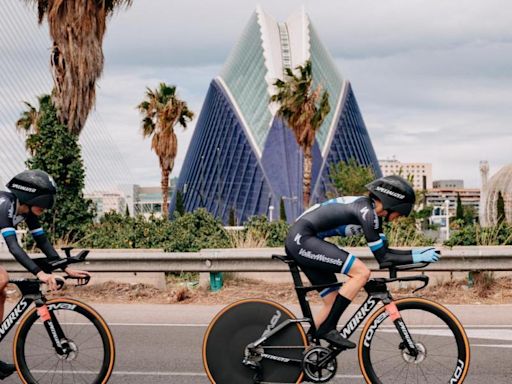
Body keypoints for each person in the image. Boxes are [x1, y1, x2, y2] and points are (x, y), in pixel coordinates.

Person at [285, 175, 440, 349]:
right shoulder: (367, 213)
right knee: (361, 273)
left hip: (303, 240)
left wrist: (416, 253)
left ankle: (304, 350)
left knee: (332, 300)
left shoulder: (371, 213)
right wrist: (417, 256)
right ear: (392, 204)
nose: (400, 217)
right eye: (401, 212)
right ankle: (327, 328)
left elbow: (385, 253)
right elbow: (384, 259)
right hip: (302, 240)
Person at [0, 170, 90, 379]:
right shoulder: (4, 205)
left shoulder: (26, 212)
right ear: (30, 196)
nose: (45, 207)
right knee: (1, 278)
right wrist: (41, 274)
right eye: (42, 201)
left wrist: (64, 267)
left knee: (1, 291)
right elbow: (14, 248)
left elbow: (42, 242)